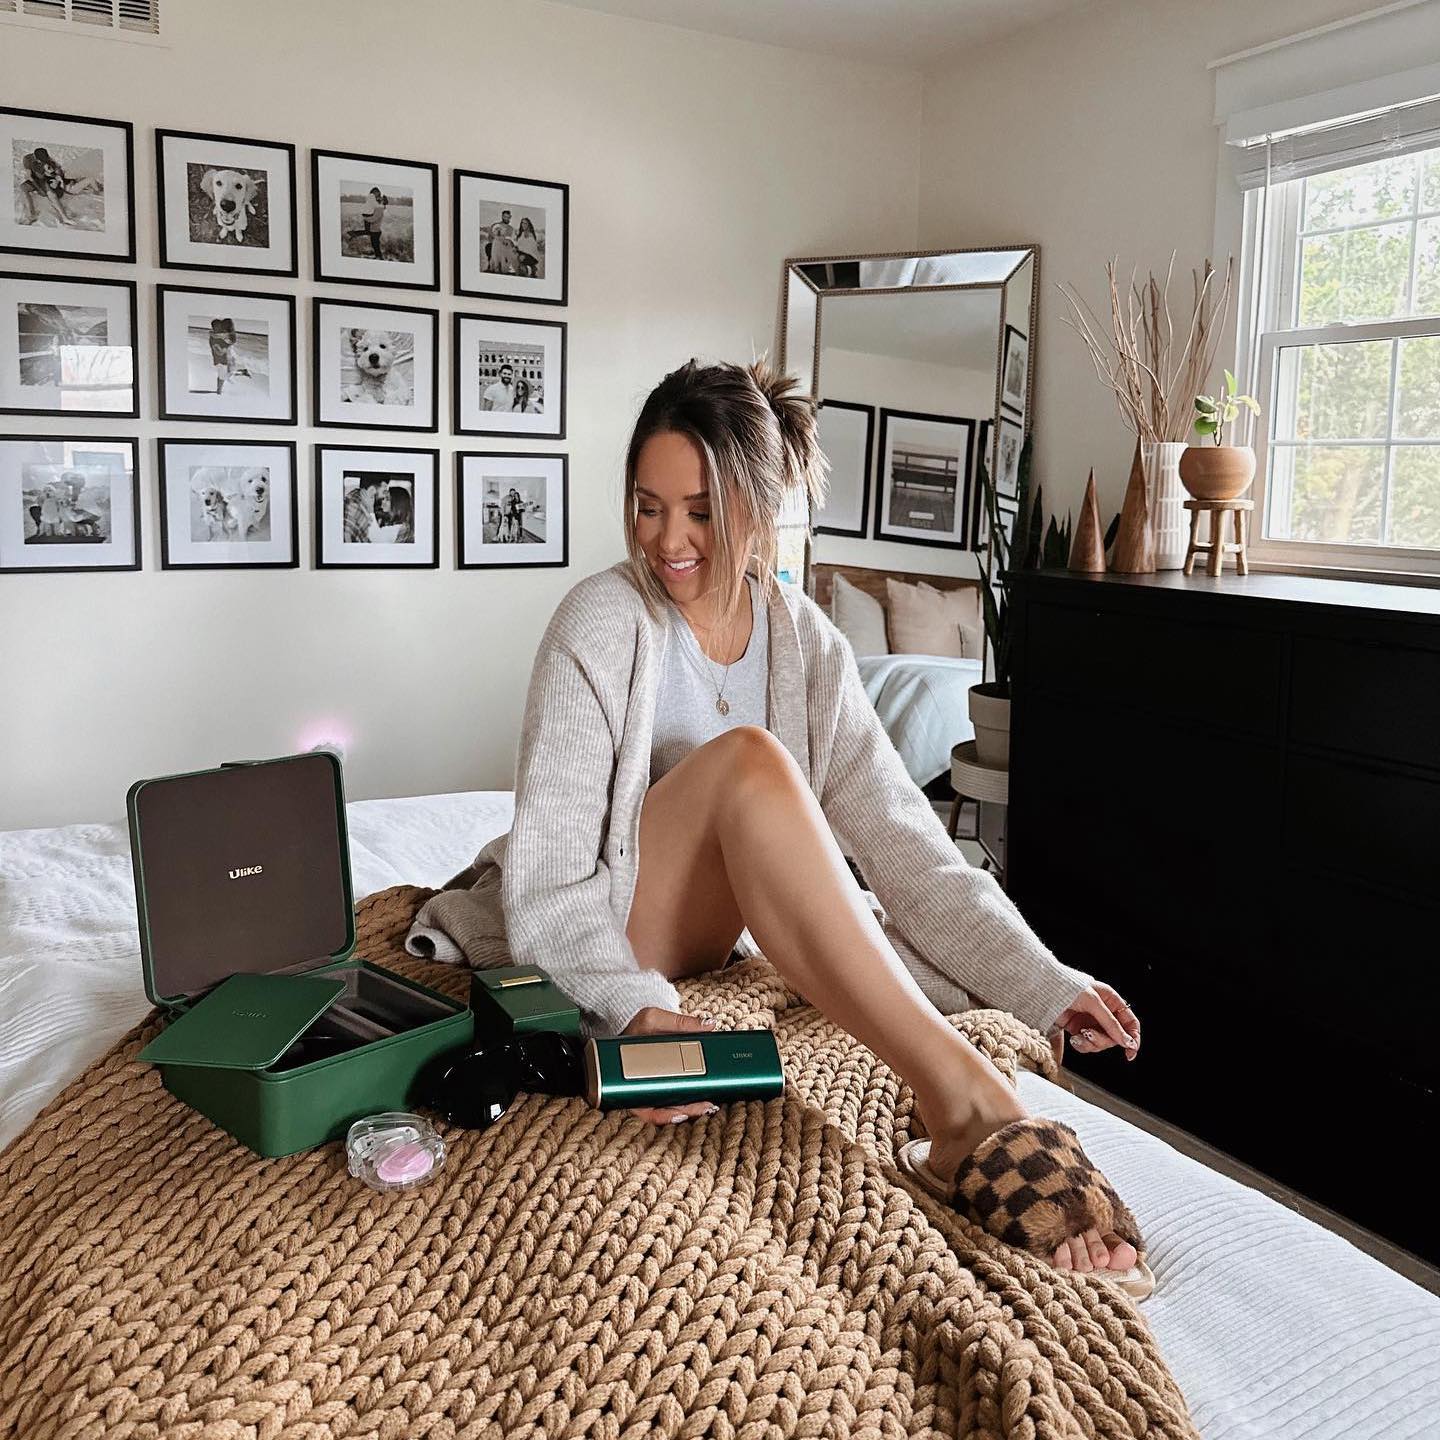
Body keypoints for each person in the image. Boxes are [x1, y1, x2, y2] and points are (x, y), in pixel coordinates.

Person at [407, 358, 1144, 1281]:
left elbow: (906, 844)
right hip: (594, 921)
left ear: (756, 508)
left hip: (703, 933)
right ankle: (963, 1101)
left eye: (700, 511)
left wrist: (1040, 981)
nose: (668, 539)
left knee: (782, 789)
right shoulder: (600, 621)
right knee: (751, 760)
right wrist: (627, 1007)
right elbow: (552, 877)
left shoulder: (805, 642)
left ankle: (968, 1098)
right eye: (647, 506)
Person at [342, 474, 387, 543]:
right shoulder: (354, 506)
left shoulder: (356, 496)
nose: (384, 496)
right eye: (384, 491)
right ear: (372, 490)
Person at [348, 187, 387, 259]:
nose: (378, 198)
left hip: (375, 230)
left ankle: (379, 257)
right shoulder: (377, 206)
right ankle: (378, 256)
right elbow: (375, 207)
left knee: (374, 243)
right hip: (374, 229)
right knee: (375, 243)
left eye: (380, 198)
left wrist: (365, 218)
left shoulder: (379, 208)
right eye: (378, 196)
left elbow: (373, 219)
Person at [487, 209, 518, 273]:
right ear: (502, 216)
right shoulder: (495, 225)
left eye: (508, 217)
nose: (506, 218)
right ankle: (493, 265)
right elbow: (490, 237)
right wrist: (495, 237)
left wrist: (508, 242)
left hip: (506, 247)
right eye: (504, 216)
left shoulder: (511, 228)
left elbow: (513, 240)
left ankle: (506, 266)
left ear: (510, 217)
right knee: (489, 246)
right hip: (496, 245)